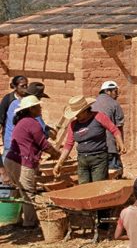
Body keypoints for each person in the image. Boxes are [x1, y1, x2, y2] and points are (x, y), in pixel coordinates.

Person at [2, 95, 60, 227]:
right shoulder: (32, 123)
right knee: (28, 193)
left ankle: (15, 219)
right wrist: (57, 154)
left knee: (17, 192)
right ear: (31, 109)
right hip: (22, 163)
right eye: (38, 106)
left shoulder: (22, 121)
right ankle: (30, 223)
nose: (40, 108)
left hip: (11, 160)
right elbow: (43, 144)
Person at [53, 95, 126, 184]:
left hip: (98, 158)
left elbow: (114, 130)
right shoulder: (73, 125)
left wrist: (121, 145)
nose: (76, 116)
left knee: (97, 186)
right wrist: (59, 163)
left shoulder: (99, 117)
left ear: (85, 110)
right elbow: (68, 145)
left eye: (78, 113)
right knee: (84, 188)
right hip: (82, 160)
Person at [92, 80, 125, 174]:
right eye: (115, 92)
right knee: (114, 172)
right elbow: (119, 126)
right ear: (107, 91)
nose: (117, 95)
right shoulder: (114, 104)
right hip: (109, 146)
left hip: (94, 147)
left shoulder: (93, 103)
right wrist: (120, 144)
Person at [2, 76, 29, 157]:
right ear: (15, 87)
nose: (25, 88)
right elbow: (1, 117)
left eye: (26, 85)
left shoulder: (28, 99)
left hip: (23, 137)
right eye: (22, 86)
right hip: (9, 135)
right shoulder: (8, 99)